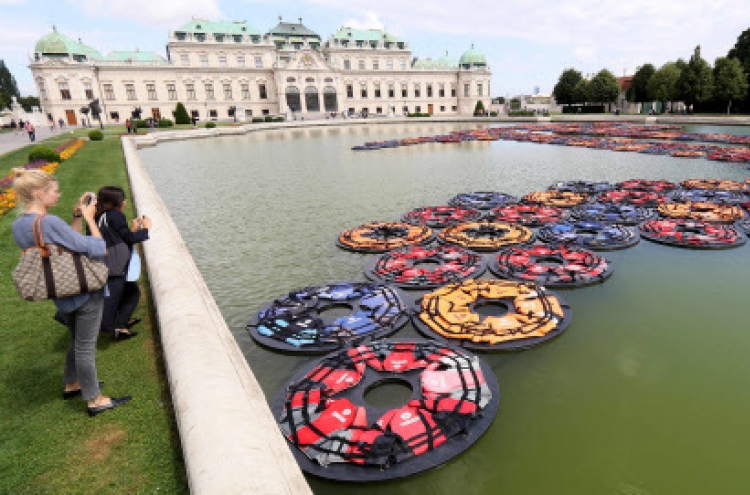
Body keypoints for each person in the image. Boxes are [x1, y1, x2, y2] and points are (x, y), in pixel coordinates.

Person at [11, 169, 132, 417]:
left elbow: (67, 246)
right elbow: (98, 248)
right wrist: (89, 218)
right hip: (84, 289)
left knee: (77, 339)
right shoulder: (49, 222)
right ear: (39, 193)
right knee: (86, 346)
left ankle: (72, 383)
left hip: (61, 289)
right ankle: (95, 400)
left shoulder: (20, 226)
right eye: (54, 191)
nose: (58, 195)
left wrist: (76, 216)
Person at [94, 186, 151, 340]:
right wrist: (146, 229)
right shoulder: (115, 216)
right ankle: (121, 327)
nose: (125, 202)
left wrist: (132, 229)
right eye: (123, 199)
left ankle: (123, 321)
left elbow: (120, 237)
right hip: (115, 263)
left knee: (126, 289)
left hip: (105, 260)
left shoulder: (98, 216)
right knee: (132, 293)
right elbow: (129, 239)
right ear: (119, 202)